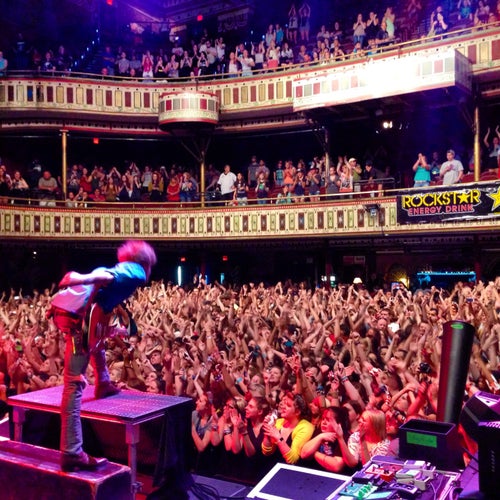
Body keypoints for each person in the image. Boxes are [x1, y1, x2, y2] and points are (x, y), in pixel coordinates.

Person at [48, 240, 157, 472]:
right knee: (73, 385)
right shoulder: (136, 271)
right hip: (77, 320)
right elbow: (106, 277)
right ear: (146, 262)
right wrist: (80, 278)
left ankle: (103, 383)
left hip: (70, 314)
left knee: (98, 338)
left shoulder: (122, 269)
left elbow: (102, 300)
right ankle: (72, 452)